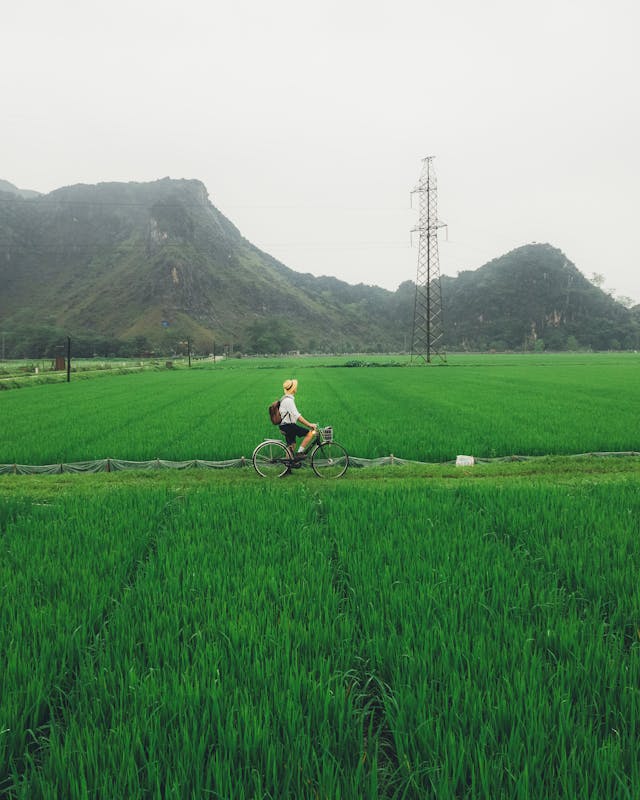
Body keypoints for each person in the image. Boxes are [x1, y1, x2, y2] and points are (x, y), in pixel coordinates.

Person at [278, 379, 317, 460]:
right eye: (296, 387)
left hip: (285, 426)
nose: (297, 388)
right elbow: (297, 416)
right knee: (310, 434)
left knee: (291, 446)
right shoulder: (288, 401)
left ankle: (288, 467)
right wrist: (309, 424)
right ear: (293, 389)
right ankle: (299, 453)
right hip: (288, 426)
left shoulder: (285, 398)